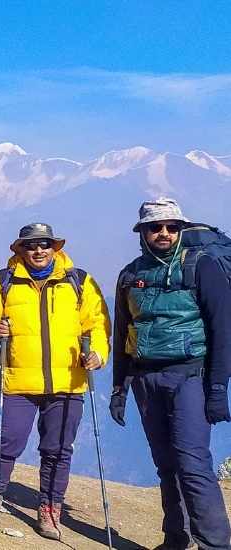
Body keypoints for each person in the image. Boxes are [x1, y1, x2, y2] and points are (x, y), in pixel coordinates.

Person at [0, 223, 110, 540]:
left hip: (68, 381)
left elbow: (98, 323)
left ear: (54, 248)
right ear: (20, 249)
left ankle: (49, 508)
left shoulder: (79, 281)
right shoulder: (3, 281)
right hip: (20, 378)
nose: (38, 250)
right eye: (31, 245)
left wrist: (98, 355)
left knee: (58, 449)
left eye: (45, 244)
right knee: (7, 442)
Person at [112, 198, 231, 550]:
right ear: (142, 233)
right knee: (165, 464)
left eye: (171, 227)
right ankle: (175, 540)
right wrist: (119, 387)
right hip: (145, 379)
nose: (163, 233)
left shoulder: (202, 266)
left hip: (189, 376)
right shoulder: (130, 275)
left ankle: (215, 544)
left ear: (180, 230)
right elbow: (123, 333)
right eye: (155, 228)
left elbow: (223, 329)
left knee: (192, 463)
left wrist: (218, 387)